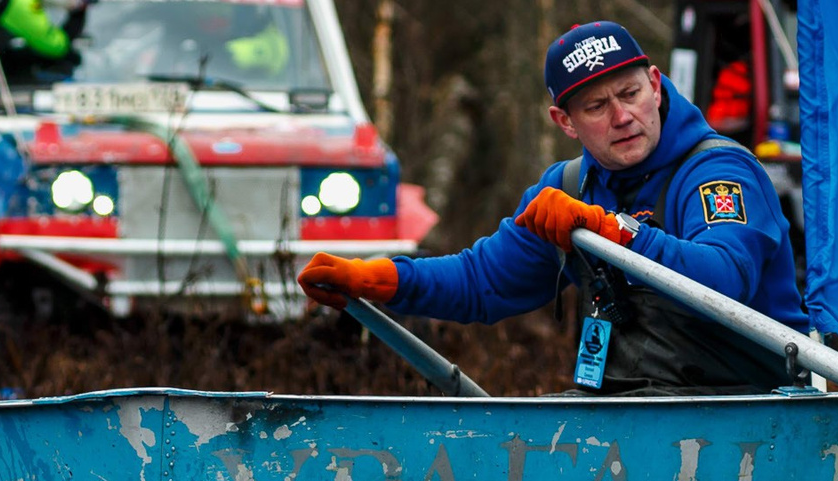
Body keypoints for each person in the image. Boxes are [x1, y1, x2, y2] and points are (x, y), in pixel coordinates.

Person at [297, 22, 807, 392]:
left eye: (630, 93)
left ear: (655, 84)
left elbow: (725, 278)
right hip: (636, 414)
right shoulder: (568, 188)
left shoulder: (718, 173)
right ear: (565, 122)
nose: (622, 116)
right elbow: (484, 282)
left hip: (751, 413)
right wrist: (382, 280)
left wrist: (617, 233)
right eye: (596, 107)